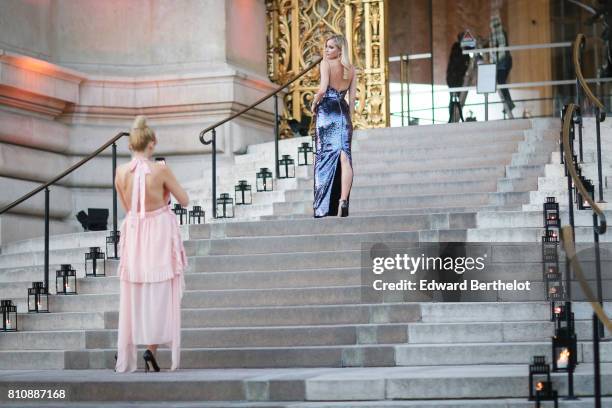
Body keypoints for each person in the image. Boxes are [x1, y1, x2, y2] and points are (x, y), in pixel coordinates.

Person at [114, 115, 189, 373]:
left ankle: (132, 349)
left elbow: (128, 207)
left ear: (130, 145)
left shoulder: (120, 172)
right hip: (158, 229)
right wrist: (165, 192)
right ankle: (151, 348)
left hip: (134, 230)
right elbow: (185, 199)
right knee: (159, 292)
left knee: (135, 289)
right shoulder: (161, 169)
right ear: (152, 143)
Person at [311, 34, 356, 217]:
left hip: (327, 112)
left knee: (323, 157)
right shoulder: (351, 69)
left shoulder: (326, 64)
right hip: (343, 114)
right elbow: (352, 99)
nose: (326, 50)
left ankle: (323, 206)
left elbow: (322, 89)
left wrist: (314, 103)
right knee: (345, 157)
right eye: (326, 47)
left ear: (340, 50)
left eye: (331, 47)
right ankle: (343, 200)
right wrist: (349, 120)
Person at [489, 8, 515, 118]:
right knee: (501, 82)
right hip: (504, 62)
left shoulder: (497, 33)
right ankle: (508, 104)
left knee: (500, 81)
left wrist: (494, 62)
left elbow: (499, 49)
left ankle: (508, 104)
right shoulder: (500, 32)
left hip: (502, 62)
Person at [446, 32, 471, 122]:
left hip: (456, 78)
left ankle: (455, 118)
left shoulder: (463, 49)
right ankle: (452, 119)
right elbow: (457, 62)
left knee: (457, 99)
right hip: (454, 78)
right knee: (454, 98)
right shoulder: (457, 47)